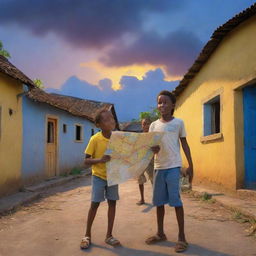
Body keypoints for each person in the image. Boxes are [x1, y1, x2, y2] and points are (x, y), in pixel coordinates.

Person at [146, 90, 193, 253]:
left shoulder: (178, 123)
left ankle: (182, 237)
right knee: (159, 203)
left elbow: (185, 144)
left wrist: (190, 165)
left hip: (173, 167)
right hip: (159, 167)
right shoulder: (153, 125)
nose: (162, 105)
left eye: (165, 102)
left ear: (173, 105)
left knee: (176, 202)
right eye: (159, 102)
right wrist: (153, 149)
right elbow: (152, 148)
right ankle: (160, 233)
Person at [80, 109, 120, 249]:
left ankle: (109, 235)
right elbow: (86, 161)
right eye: (107, 119)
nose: (112, 121)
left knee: (113, 204)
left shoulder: (117, 138)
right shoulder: (95, 139)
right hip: (99, 176)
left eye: (112, 118)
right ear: (99, 124)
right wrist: (100, 160)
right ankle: (87, 235)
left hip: (113, 176)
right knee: (95, 204)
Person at [136, 118, 154, 205]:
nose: (145, 125)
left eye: (147, 123)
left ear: (150, 125)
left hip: (151, 160)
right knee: (140, 179)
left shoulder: (154, 136)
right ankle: (142, 198)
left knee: (153, 179)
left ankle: (155, 198)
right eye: (143, 124)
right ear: (141, 125)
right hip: (141, 161)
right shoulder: (139, 137)